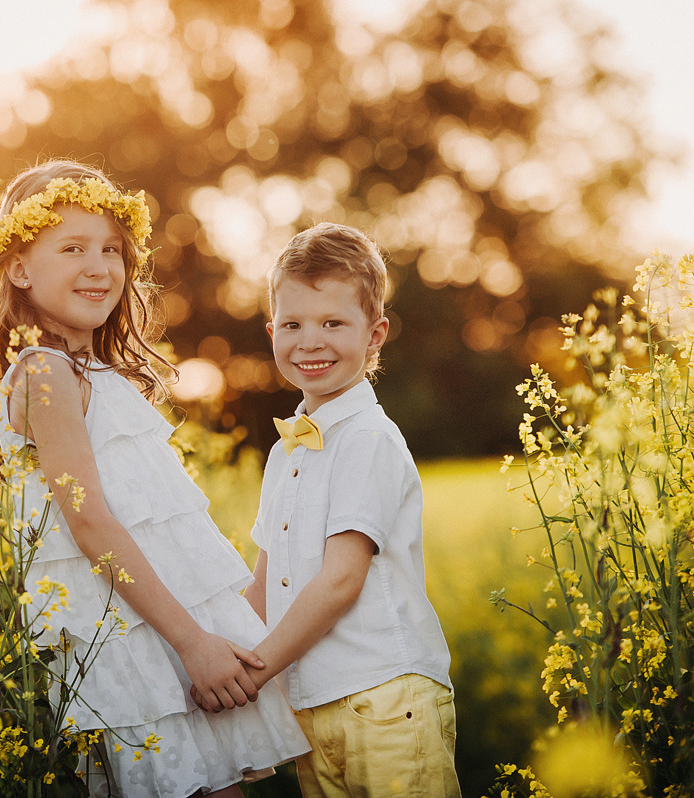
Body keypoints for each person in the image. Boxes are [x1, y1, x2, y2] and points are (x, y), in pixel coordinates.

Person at [0, 159, 309, 797]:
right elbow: (89, 519)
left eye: (112, 249)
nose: (99, 266)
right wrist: (192, 643)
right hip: (135, 633)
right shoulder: (45, 372)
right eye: (71, 247)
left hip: (157, 622)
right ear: (19, 268)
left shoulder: (86, 372)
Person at [230, 222, 460, 797]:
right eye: (293, 324)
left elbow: (341, 581)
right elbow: (265, 581)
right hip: (314, 706)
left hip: (384, 697)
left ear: (375, 333)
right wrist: (216, 650)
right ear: (271, 331)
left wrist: (252, 672)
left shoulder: (367, 439)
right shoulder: (288, 451)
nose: (310, 341)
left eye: (333, 323)